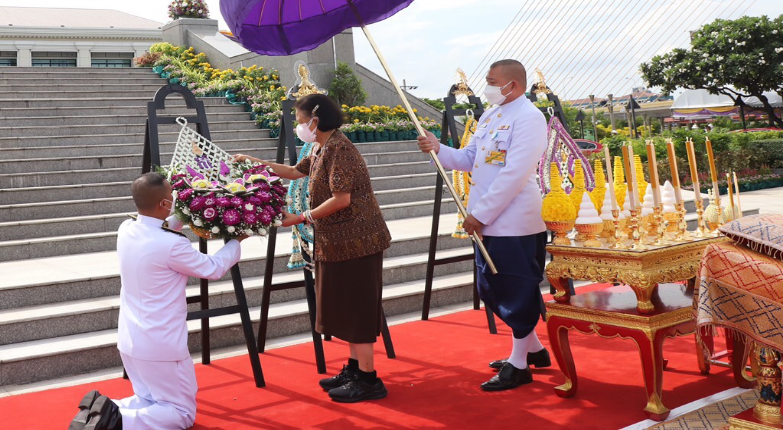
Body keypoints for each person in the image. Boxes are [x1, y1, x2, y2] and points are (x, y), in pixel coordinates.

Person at [235, 93, 392, 403]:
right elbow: (295, 171)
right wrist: (256, 164)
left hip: (357, 242)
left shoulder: (340, 149)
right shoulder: (321, 146)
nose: (298, 125)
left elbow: (341, 199)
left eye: (299, 119)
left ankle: (369, 379)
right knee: (344, 307)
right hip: (336, 242)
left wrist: (301, 217)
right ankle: (355, 369)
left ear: (315, 121)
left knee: (356, 308)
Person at [69, 172, 245, 430]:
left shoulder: (126, 228)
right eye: (172, 195)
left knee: (148, 398)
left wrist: (186, 213)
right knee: (180, 413)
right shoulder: (172, 245)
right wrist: (237, 239)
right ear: (164, 204)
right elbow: (213, 268)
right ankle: (113, 420)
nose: (174, 198)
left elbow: (159, 227)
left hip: (131, 339)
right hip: (161, 344)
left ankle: (100, 409)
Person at [418, 59, 549, 392]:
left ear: (513, 85)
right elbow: (467, 159)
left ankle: (519, 365)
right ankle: (532, 349)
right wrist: (438, 148)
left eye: (493, 81)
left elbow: (514, 174)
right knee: (494, 287)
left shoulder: (530, 118)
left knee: (515, 288)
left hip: (514, 221)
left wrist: (481, 214)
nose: (488, 87)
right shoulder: (491, 115)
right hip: (489, 220)